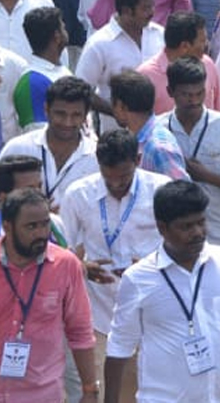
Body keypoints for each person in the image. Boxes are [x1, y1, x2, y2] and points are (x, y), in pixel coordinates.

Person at [106, 179, 220, 403]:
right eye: (186, 226)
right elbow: (119, 347)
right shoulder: (137, 279)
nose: (198, 232)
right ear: (162, 228)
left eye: (201, 222)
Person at [59, 128, 169, 402]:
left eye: (124, 177)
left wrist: (153, 265)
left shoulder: (162, 191)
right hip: (99, 315)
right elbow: (62, 254)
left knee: (151, 393)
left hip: (154, 314)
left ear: (138, 158)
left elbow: (186, 245)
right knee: (107, 394)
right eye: (109, 177)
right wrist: (83, 267)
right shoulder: (77, 195)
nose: (117, 184)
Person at [0, 187, 99, 402]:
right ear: (7, 227)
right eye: (31, 226)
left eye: (45, 224)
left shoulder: (66, 265)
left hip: (43, 394)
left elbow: (80, 331)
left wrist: (89, 389)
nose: (41, 233)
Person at [164, 56, 220, 249]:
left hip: (218, 233)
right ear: (170, 92)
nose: (194, 101)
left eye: (199, 93)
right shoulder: (159, 130)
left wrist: (207, 177)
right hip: (172, 237)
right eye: (186, 94)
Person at [0, 76, 99, 212]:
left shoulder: (97, 157)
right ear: (46, 110)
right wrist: (19, 214)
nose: (67, 122)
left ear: (85, 116)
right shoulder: (19, 147)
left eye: (76, 115)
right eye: (60, 114)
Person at [109, 70, 188, 180]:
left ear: (122, 107)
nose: (112, 110)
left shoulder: (159, 148)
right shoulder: (135, 140)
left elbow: (182, 193)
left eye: (113, 104)